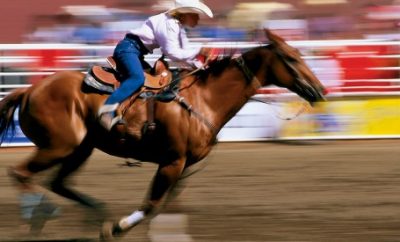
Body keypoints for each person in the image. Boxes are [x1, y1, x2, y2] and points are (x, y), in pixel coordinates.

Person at [98, 0, 213, 130]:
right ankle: (106, 110)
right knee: (137, 78)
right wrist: (199, 51)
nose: (198, 18)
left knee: (149, 81)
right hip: (128, 50)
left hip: (134, 51)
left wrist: (202, 64)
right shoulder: (169, 24)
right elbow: (173, 53)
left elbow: (184, 52)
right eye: (195, 15)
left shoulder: (177, 26)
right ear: (185, 14)